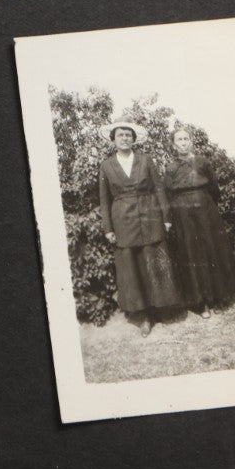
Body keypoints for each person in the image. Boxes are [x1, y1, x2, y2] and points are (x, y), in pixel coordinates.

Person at [97, 121, 179, 335]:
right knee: (132, 268)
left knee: (154, 262)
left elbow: (159, 188)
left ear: (133, 139)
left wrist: (166, 216)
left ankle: (160, 308)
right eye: (120, 135)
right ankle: (143, 316)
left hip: (149, 215)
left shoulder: (145, 159)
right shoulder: (106, 166)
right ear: (113, 140)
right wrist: (108, 228)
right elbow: (104, 200)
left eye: (128, 135)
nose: (124, 138)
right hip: (123, 221)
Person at [163, 127, 235, 314]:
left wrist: (206, 203)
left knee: (212, 249)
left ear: (191, 141)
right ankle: (202, 302)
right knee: (193, 254)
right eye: (179, 140)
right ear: (173, 145)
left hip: (206, 209)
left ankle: (220, 296)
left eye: (186, 139)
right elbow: (167, 194)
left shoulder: (202, 162)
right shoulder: (170, 168)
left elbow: (214, 188)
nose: (183, 142)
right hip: (183, 213)